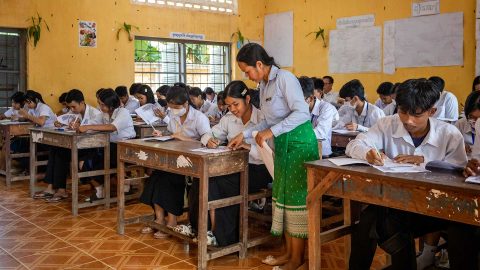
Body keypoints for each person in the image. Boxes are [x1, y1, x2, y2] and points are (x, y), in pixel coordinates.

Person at [346, 78, 468, 270]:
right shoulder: (387, 124)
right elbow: (354, 144)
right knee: (371, 218)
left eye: (417, 115)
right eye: (403, 112)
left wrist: (425, 162)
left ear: (432, 111)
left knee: (383, 222)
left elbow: (460, 174)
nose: (409, 120)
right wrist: (367, 153)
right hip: (399, 203)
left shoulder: (449, 134)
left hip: (439, 207)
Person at [228, 43, 319, 270]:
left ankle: (298, 259)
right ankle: (289, 254)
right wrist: (245, 133)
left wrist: (271, 132)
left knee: (296, 200)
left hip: (299, 144)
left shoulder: (285, 79)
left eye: (247, 71)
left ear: (259, 64)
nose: (247, 76)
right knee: (284, 199)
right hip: (282, 145)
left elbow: (301, 113)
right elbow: (268, 121)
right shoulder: (264, 85)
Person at [196, 81, 272, 247]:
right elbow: (208, 133)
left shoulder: (263, 119)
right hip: (233, 166)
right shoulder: (229, 119)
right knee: (201, 178)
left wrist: (248, 146)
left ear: (248, 99)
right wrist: (209, 140)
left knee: (222, 181)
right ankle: (201, 230)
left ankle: (223, 236)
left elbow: (270, 153)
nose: (233, 109)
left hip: (259, 169)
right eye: (229, 106)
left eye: (236, 104)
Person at [139, 84, 211, 239]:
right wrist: (162, 134)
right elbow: (172, 134)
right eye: (171, 107)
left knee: (171, 179)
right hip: (175, 158)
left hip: (193, 160)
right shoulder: (173, 116)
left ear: (186, 104)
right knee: (155, 177)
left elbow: (207, 141)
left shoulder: (199, 118)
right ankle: (159, 218)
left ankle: (172, 220)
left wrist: (183, 138)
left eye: (176, 107)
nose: (173, 110)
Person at [34, 89, 104, 201]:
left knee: (61, 152)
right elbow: (67, 124)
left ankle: (61, 190)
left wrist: (81, 127)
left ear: (82, 103)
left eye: (73, 107)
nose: (71, 109)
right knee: (55, 149)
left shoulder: (95, 114)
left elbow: (95, 132)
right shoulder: (73, 112)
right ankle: (51, 188)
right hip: (77, 144)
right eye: (70, 107)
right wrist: (59, 123)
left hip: (91, 147)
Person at [77, 88, 136, 201]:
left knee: (100, 163)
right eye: (99, 104)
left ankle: (122, 185)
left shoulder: (123, 112)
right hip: (108, 146)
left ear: (112, 104)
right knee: (84, 162)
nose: (100, 107)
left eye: (103, 104)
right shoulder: (103, 114)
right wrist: (79, 126)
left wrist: (88, 127)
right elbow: (91, 124)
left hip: (125, 147)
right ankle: (100, 189)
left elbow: (112, 127)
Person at [299, 76, 338, 158]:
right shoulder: (301, 109)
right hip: (303, 150)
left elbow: (320, 133)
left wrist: (297, 134)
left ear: (309, 99)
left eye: (298, 101)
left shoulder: (327, 108)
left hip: (322, 155)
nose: (296, 104)